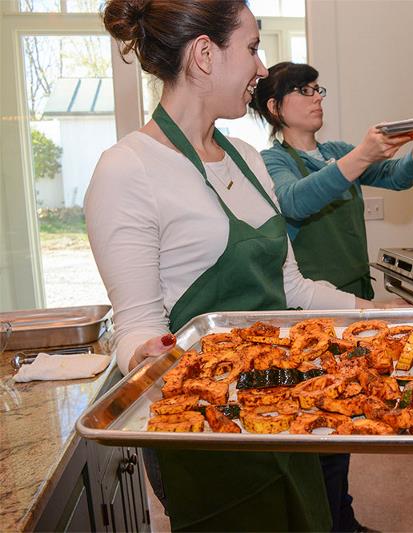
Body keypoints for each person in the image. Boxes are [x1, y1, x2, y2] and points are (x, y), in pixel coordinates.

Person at [87, 1, 370, 530]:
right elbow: (136, 326)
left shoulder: (248, 157)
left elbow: (290, 287)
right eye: (252, 47)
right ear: (204, 54)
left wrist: (377, 312)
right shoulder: (127, 169)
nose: (261, 69)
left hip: (286, 410)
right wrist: (145, 354)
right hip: (207, 432)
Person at [249, 62, 413, 301]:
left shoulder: (338, 151)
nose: (318, 97)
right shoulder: (272, 160)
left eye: (317, 89)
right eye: (305, 90)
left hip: (359, 287)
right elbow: (293, 201)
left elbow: (395, 176)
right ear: (274, 107)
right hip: (316, 297)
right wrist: (363, 155)